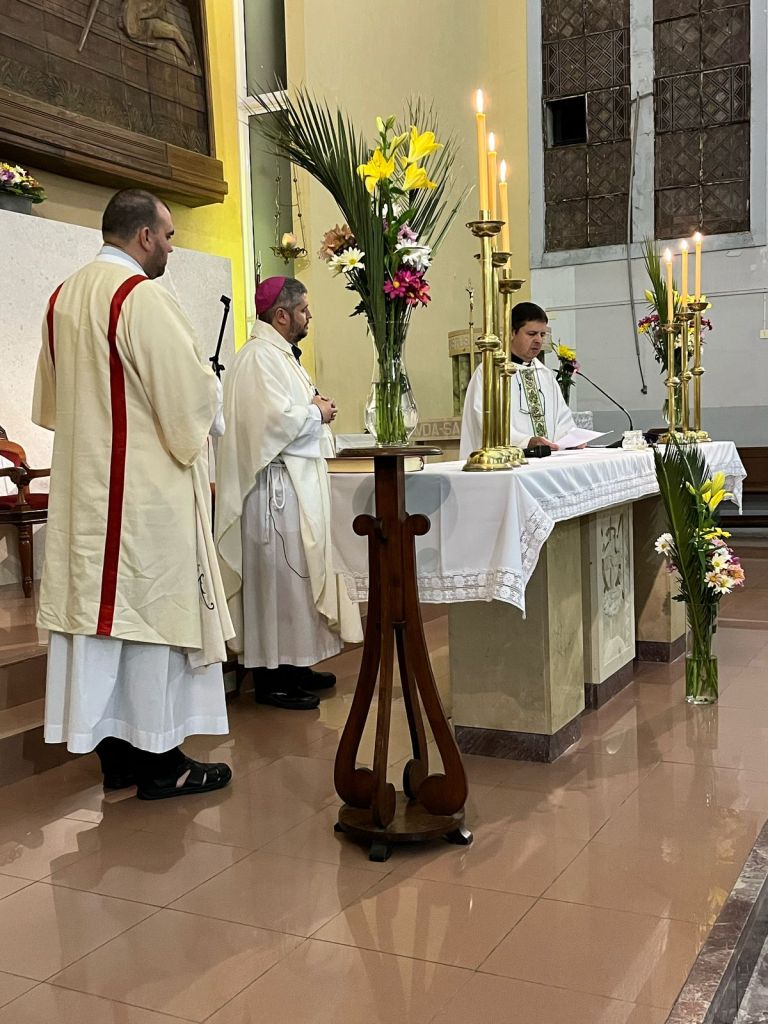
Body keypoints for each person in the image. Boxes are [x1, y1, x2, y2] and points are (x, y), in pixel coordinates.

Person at [32, 188, 233, 799]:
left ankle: (115, 758)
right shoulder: (140, 296)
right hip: (142, 495)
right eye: (168, 237)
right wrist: (212, 390)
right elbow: (189, 397)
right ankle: (161, 762)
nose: (170, 248)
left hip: (85, 495)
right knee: (147, 622)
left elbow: (52, 406)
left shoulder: (62, 298)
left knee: (102, 630)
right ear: (144, 236)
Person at [215, 276, 363, 711]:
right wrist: (316, 413)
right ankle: (271, 678)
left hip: (291, 488)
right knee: (276, 585)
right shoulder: (258, 357)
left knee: (295, 584)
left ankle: (295, 664)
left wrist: (316, 409)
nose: (308, 316)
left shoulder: (280, 355)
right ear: (281, 315)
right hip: (272, 495)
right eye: (303, 310)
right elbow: (270, 424)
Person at [460, 301, 576, 457]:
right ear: (512, 333)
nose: (538, 340)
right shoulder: (490, 372)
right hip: (508, 462)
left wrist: (571, 439)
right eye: (531, 334)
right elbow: (483, 421)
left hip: (549, 463)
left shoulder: (545, 375)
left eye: (542, 335)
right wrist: (526, 441)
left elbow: (563, 419)